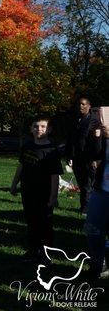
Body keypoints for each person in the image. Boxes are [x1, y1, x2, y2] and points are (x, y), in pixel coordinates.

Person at [10, 116, 63, 262]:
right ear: (30, 129)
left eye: (42, 126)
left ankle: (45, 253)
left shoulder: (51, 149)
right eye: (35, 126)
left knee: (44, 223)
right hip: (28, 190)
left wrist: (53, 196)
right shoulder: (27, 145)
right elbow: (21, 166)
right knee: (31, 220)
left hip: (44, 192)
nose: (39, 129)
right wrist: (14, 184)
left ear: (49, 129)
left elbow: (55, 175)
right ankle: (33, 250)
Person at [84, 107, 109, 279]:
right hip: (101, 188)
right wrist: (98, 137)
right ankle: (98, 262)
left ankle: (103, 264)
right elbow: (94, 154)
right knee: (92, 229)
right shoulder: (104, 123)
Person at [66, 97, 98, 214]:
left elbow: (96, 141)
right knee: (82, 183)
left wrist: (95, 158)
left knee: (88, 184)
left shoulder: (94, 120)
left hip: (89, 158)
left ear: (89, 106)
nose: (80, 106)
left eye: (83, 104)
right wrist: (69, 155)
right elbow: (71, 140)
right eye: (79, 104)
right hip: (77, 157)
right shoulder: (75, 121)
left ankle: (86, 209)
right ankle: (85, 207)